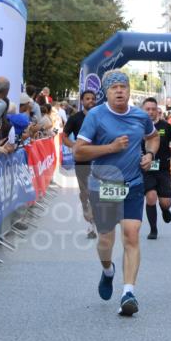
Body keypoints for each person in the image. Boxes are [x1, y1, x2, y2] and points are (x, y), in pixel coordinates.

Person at [72, 70, 159, 316]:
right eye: (114, 88)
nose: (119, 90)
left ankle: (128, 292)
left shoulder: (140, 116)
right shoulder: (96, 116)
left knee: (131, 236)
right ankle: (108, 270)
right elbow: (78, 152)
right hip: (104, 185)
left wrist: (150, 154)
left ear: (130, 91)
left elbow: (153, 138)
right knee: (106, 241)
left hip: (132, 184)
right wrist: (110, 147)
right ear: (106, 93)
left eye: (123, 86)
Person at [63, 90, 99, 239]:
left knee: (95, 192)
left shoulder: (100, 117)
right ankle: (85, 205)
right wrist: (73, 146)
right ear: (82, 101)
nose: (90, 101)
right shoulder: (75, 118)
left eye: (92, 99)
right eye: (87, 99)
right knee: (85, 192)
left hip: (98, 159)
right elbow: (64, 136)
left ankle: (93, 226)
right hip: (82, 160)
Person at [140, 97, 171, 240]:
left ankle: (165, 209)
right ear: (143, 111)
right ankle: (153, 229)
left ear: (157, 111)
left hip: (163, 169)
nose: (150, 112)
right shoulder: (138, 127)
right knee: (151, 197)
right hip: (146, 169)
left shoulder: (166, 126)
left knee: (165, 202)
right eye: (147, 109)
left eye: (153, 109)